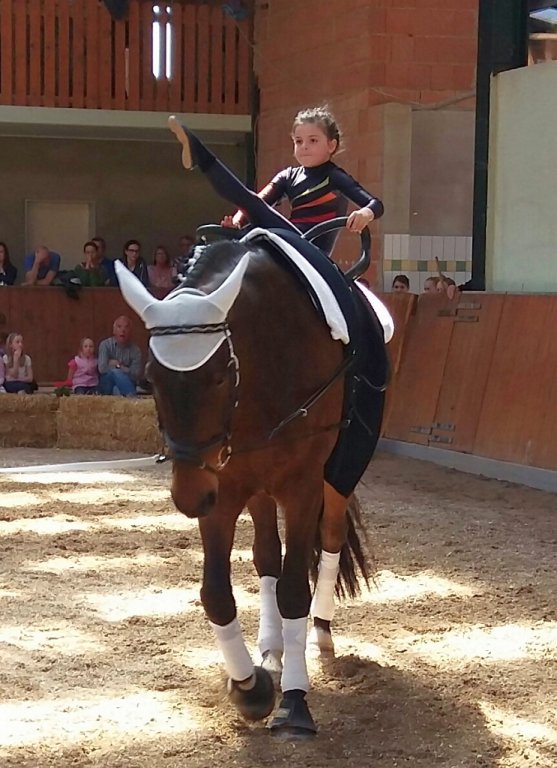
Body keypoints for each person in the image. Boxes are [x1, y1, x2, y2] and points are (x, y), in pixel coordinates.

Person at [168, 105, 384, 259]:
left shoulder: (334, 176)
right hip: (288, 237)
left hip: (311, 247)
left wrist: (365, 213)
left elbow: (376, 204)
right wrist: (237, 222)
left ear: (331, 145)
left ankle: (200, 155)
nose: (304, 146)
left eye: (313, 141)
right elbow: (259, 202)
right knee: (240, 231)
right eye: (298, 141)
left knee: (253, 208)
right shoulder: (288, 176)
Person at [97, 315, 142, 397]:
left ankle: (129, 399)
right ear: (114, 330)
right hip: (106, 385)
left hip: (126, 384)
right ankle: (133, 399)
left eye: (126, 327)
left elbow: (136, 374)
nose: (123, 330)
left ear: (130, 331)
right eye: (119, 327)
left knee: (117, 389)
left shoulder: (135, 350)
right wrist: (124, 369)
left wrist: (118, 366)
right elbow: (102, 369)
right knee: (115, 372)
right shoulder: (105, 345)